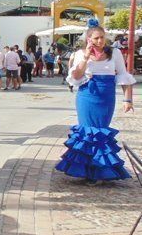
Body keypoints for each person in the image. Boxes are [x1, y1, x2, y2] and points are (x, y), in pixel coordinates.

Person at [55, 21, 136, 184]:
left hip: (106, 97)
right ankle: (89, 171)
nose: (100, 41)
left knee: (101, 131)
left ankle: (100, 171)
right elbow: (76, 77)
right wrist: (85, 58)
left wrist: (128, 99)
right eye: (96, 38)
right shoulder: (79, 53)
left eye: (102, 38)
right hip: (87, 95)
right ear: (89, 39)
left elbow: (123, 76)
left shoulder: (115, 53)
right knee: (88, 132)